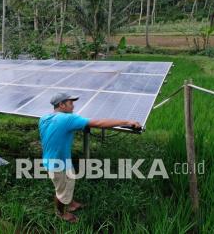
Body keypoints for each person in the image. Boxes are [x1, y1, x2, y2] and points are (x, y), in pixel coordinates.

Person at [38, 92, 141, 223]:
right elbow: (98, 123)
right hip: (57, 165)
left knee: (69, 182)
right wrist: (127, 121)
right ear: (61, 105)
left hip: (53, 160)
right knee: (61, 192)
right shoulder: (67, 119)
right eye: (70, 103)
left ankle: (70, 204)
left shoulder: (44, 118)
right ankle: (60, 213)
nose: (73, 106)